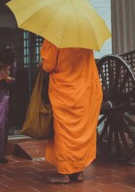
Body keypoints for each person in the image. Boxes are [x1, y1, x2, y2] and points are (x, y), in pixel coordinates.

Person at [40, 39, 103, 183]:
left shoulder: (55, 38)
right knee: (81, 131)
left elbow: (48, 65)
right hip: (86, 91)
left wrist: (42, 60)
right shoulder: (84, 38)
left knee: (65, 132)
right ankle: (78, 172)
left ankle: (64, 173)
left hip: (66, 93)